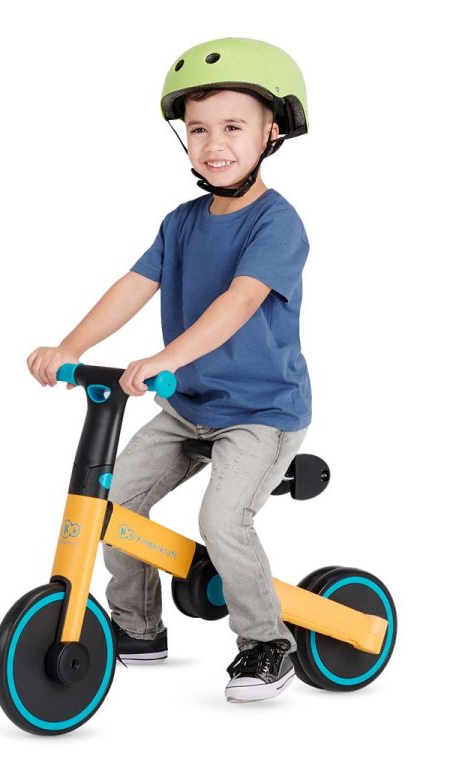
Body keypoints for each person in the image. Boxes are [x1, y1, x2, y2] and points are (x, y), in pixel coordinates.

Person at [27, 38, 312, 703]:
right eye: (199, 129)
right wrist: (68, 347)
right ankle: (137, 626)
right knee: (112, 501)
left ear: (272, 132)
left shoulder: (278, 224)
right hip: (187, 406)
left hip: (261, 413)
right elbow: (133, 286)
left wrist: (164, 358)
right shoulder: (181, 223)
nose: (214, 144)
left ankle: (267, 642)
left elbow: (239, 302)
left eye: (233, 127)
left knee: (223, 521)